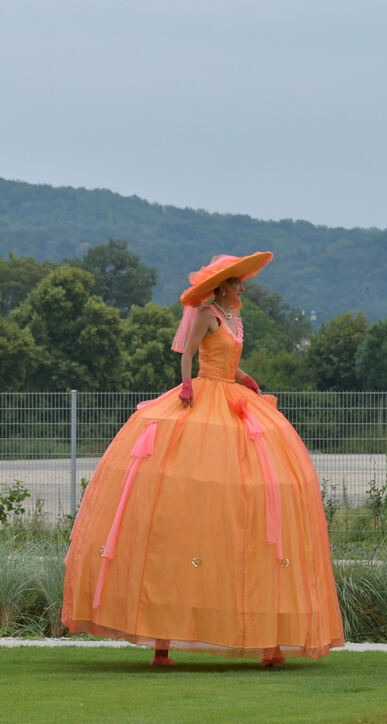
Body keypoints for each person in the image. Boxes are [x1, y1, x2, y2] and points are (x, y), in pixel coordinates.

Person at [61, 252, 344, 666]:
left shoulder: (233, 317)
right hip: (205, 395)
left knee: (255, 489)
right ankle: (163, 642)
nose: (243, 287)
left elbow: (228, 360)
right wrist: (187, 385)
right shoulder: (207, 314)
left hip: (232, 395)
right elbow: (187, 353)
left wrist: (243, 377)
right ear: (224, 286)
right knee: (182, 499)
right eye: (238, 282)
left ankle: (268, 642)